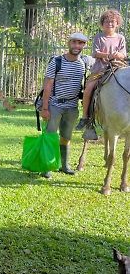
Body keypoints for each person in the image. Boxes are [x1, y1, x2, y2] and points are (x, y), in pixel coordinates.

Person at [40, 33, 89, 178]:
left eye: (80, 43)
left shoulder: (84, 62)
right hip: (55, 104)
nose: (77, 46)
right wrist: (45, 108)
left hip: (72, 107)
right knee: (50, 136)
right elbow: (48, 85)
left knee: (66, 137)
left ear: (84, 46)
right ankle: (47, 166)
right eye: (74, 42)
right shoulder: (57, 61)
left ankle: (64, 166)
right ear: (69, 43)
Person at [76, 9, 127, 132]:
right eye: (107, 21)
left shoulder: (120, 38)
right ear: (102, 23)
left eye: (112, 22)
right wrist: (109, 55)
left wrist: (118, 55)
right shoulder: (99, 37)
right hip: (100, 69)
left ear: (117, 23)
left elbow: (123, 54)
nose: (110, 24)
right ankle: (85, 117)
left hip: (118, 67)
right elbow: (95, 53)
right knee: (88, 88)